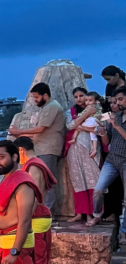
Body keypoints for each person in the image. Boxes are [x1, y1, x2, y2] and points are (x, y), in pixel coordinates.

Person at [8, 83, 65, 213]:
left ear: (45, 95)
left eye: (37, 97)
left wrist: (19, 132)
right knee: (40, 180)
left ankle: (48, 211)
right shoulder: (46, 107)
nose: (35, 100)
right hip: (41, 147)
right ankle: (40, 209)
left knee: (47, 180)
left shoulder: (52, 107)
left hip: (48, 148)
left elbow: (40, 129)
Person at [14, 136, 56, 264]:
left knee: (37, 258)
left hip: (36, 216)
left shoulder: (33, 167)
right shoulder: (35, 164)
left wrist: (23, 220)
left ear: (21, 150)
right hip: (36, 215)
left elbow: (34, 197)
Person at [64, 93, 102, 223]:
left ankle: (95, 214)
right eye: (76, 97)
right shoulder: (71, 112)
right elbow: (70, 126)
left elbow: (100, 128)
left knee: (93, 180)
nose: (79, 99)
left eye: (82, 96)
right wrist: (86, 115)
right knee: (78, 180)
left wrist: (83, 126)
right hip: (74, 148)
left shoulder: (97, 109)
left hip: (91, 148)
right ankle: (81, 212)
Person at [93, 86, 126, 222]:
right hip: (111, 160)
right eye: (116, 100)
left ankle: (123, 231)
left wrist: (117, 125)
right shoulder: (116, 117)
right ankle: (97, 215)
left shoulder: (116, 120)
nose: (117, 103)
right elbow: (107, 142)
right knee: (98, 190)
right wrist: (102, 130)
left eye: (120, 99)